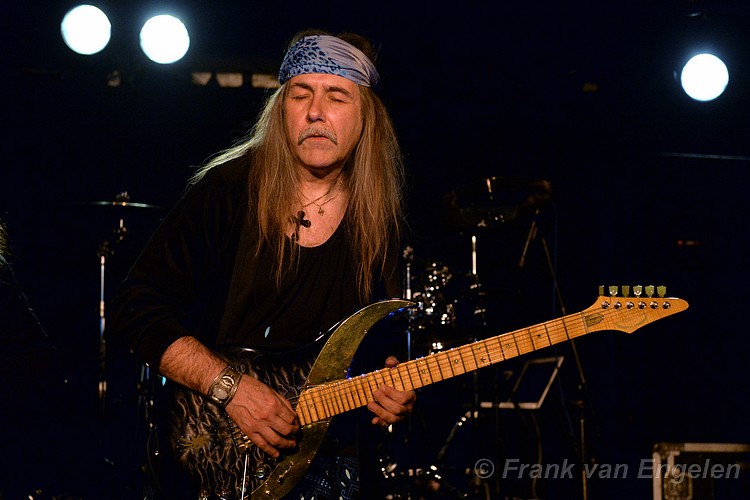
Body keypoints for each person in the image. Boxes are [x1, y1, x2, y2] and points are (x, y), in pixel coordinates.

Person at [111, 28, 416, 499]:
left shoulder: (382, 219)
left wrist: (393, 390)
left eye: (337, 96)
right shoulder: (227, 191)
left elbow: (381, 350)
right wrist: (230, 387)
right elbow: (135, 308)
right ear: (281, 109)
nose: (315, 112)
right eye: (300, 94)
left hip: (339, 466)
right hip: (219, 455)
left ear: (366, 117)